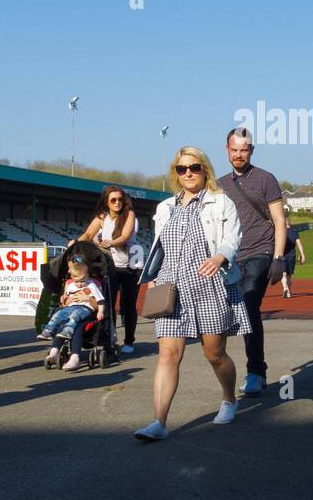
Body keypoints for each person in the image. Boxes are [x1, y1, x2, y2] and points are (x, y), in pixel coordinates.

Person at [133, 146, 250, 441]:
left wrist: (221, 257)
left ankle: (228, 398)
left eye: (194, 168)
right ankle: (159, 422)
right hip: (170, 287)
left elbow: (232, 237)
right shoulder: (164, 208)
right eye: (181, 169)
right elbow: (159, 249)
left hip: (209, 285)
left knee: (215, 353)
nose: (188, 173)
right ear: (175, 173)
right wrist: (152, 277)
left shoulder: (221, 203)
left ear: (205, 170)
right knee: (168, 355)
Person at [217, 127, 286, 396]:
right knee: (226, 313)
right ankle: (225, 368)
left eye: (243, 150)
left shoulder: (266, 179)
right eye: (234, 150)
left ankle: (256, 371)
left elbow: (279, 220)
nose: (238, 155)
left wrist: (278, 258)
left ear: (252, 151)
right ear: (227, 150)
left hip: (260, 251)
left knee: (248, 305)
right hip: (231, 256)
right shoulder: (220, 184)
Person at [80, 186, 142, 353]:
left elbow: (124, 237)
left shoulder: (129, 214)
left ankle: (129, 341)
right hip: (110, 268)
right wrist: (76, 243)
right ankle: (111, 338)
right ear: (106, 202)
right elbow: (87, 234)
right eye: (113, 200)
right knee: (108, 304)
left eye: (120, 199)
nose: (117, 203)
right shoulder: (102, 217)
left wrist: (110, 242)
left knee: (128, 306)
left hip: (131, 267)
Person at [38, 252, 106, 370]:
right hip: (71, 309)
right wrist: (64, 300)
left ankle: (75, 357)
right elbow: (64, 305)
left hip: (87, 312)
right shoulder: (69, 284)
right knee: (62, 322)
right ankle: (54, 352)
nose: (70, 270)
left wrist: (88, 299)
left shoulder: (93, 284)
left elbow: (99, 303)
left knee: (77, 325)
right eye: (69, 267)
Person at [279, 221, 305, 297]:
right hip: (292, 256)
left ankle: (285, 289)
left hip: (282, 255)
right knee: (289, 275)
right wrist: (303, 255)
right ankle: (288, 291)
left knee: (283, 274)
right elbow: (299, 244)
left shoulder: (281, 232)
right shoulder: (294, 232)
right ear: (289, 223)